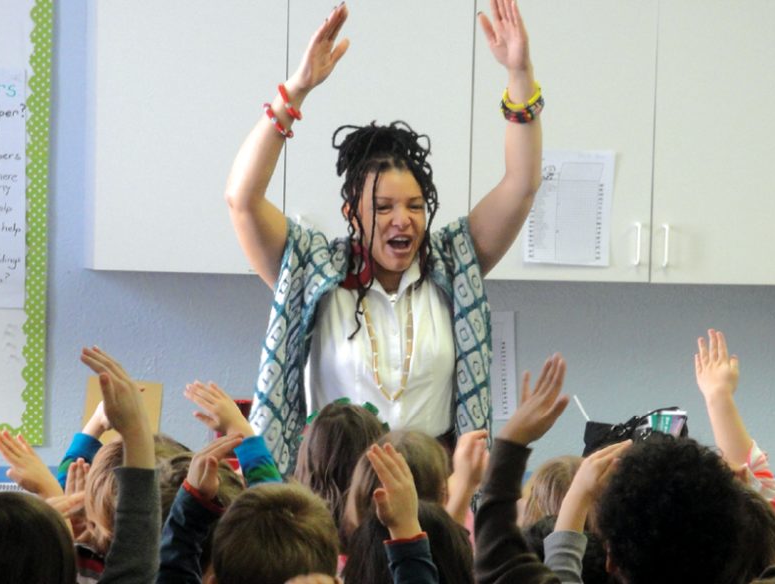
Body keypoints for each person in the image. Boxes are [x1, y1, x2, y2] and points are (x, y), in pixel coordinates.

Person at [225, 0, 545, 471]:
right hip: (335, 486)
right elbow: (242, 199)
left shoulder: (455, 264)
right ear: (351, 214)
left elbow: (522, 184)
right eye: (383, 207)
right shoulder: (311, 269)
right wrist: (296, 90)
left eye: (415, 206)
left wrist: (520, 74)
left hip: (432, 486)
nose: (403, 220)